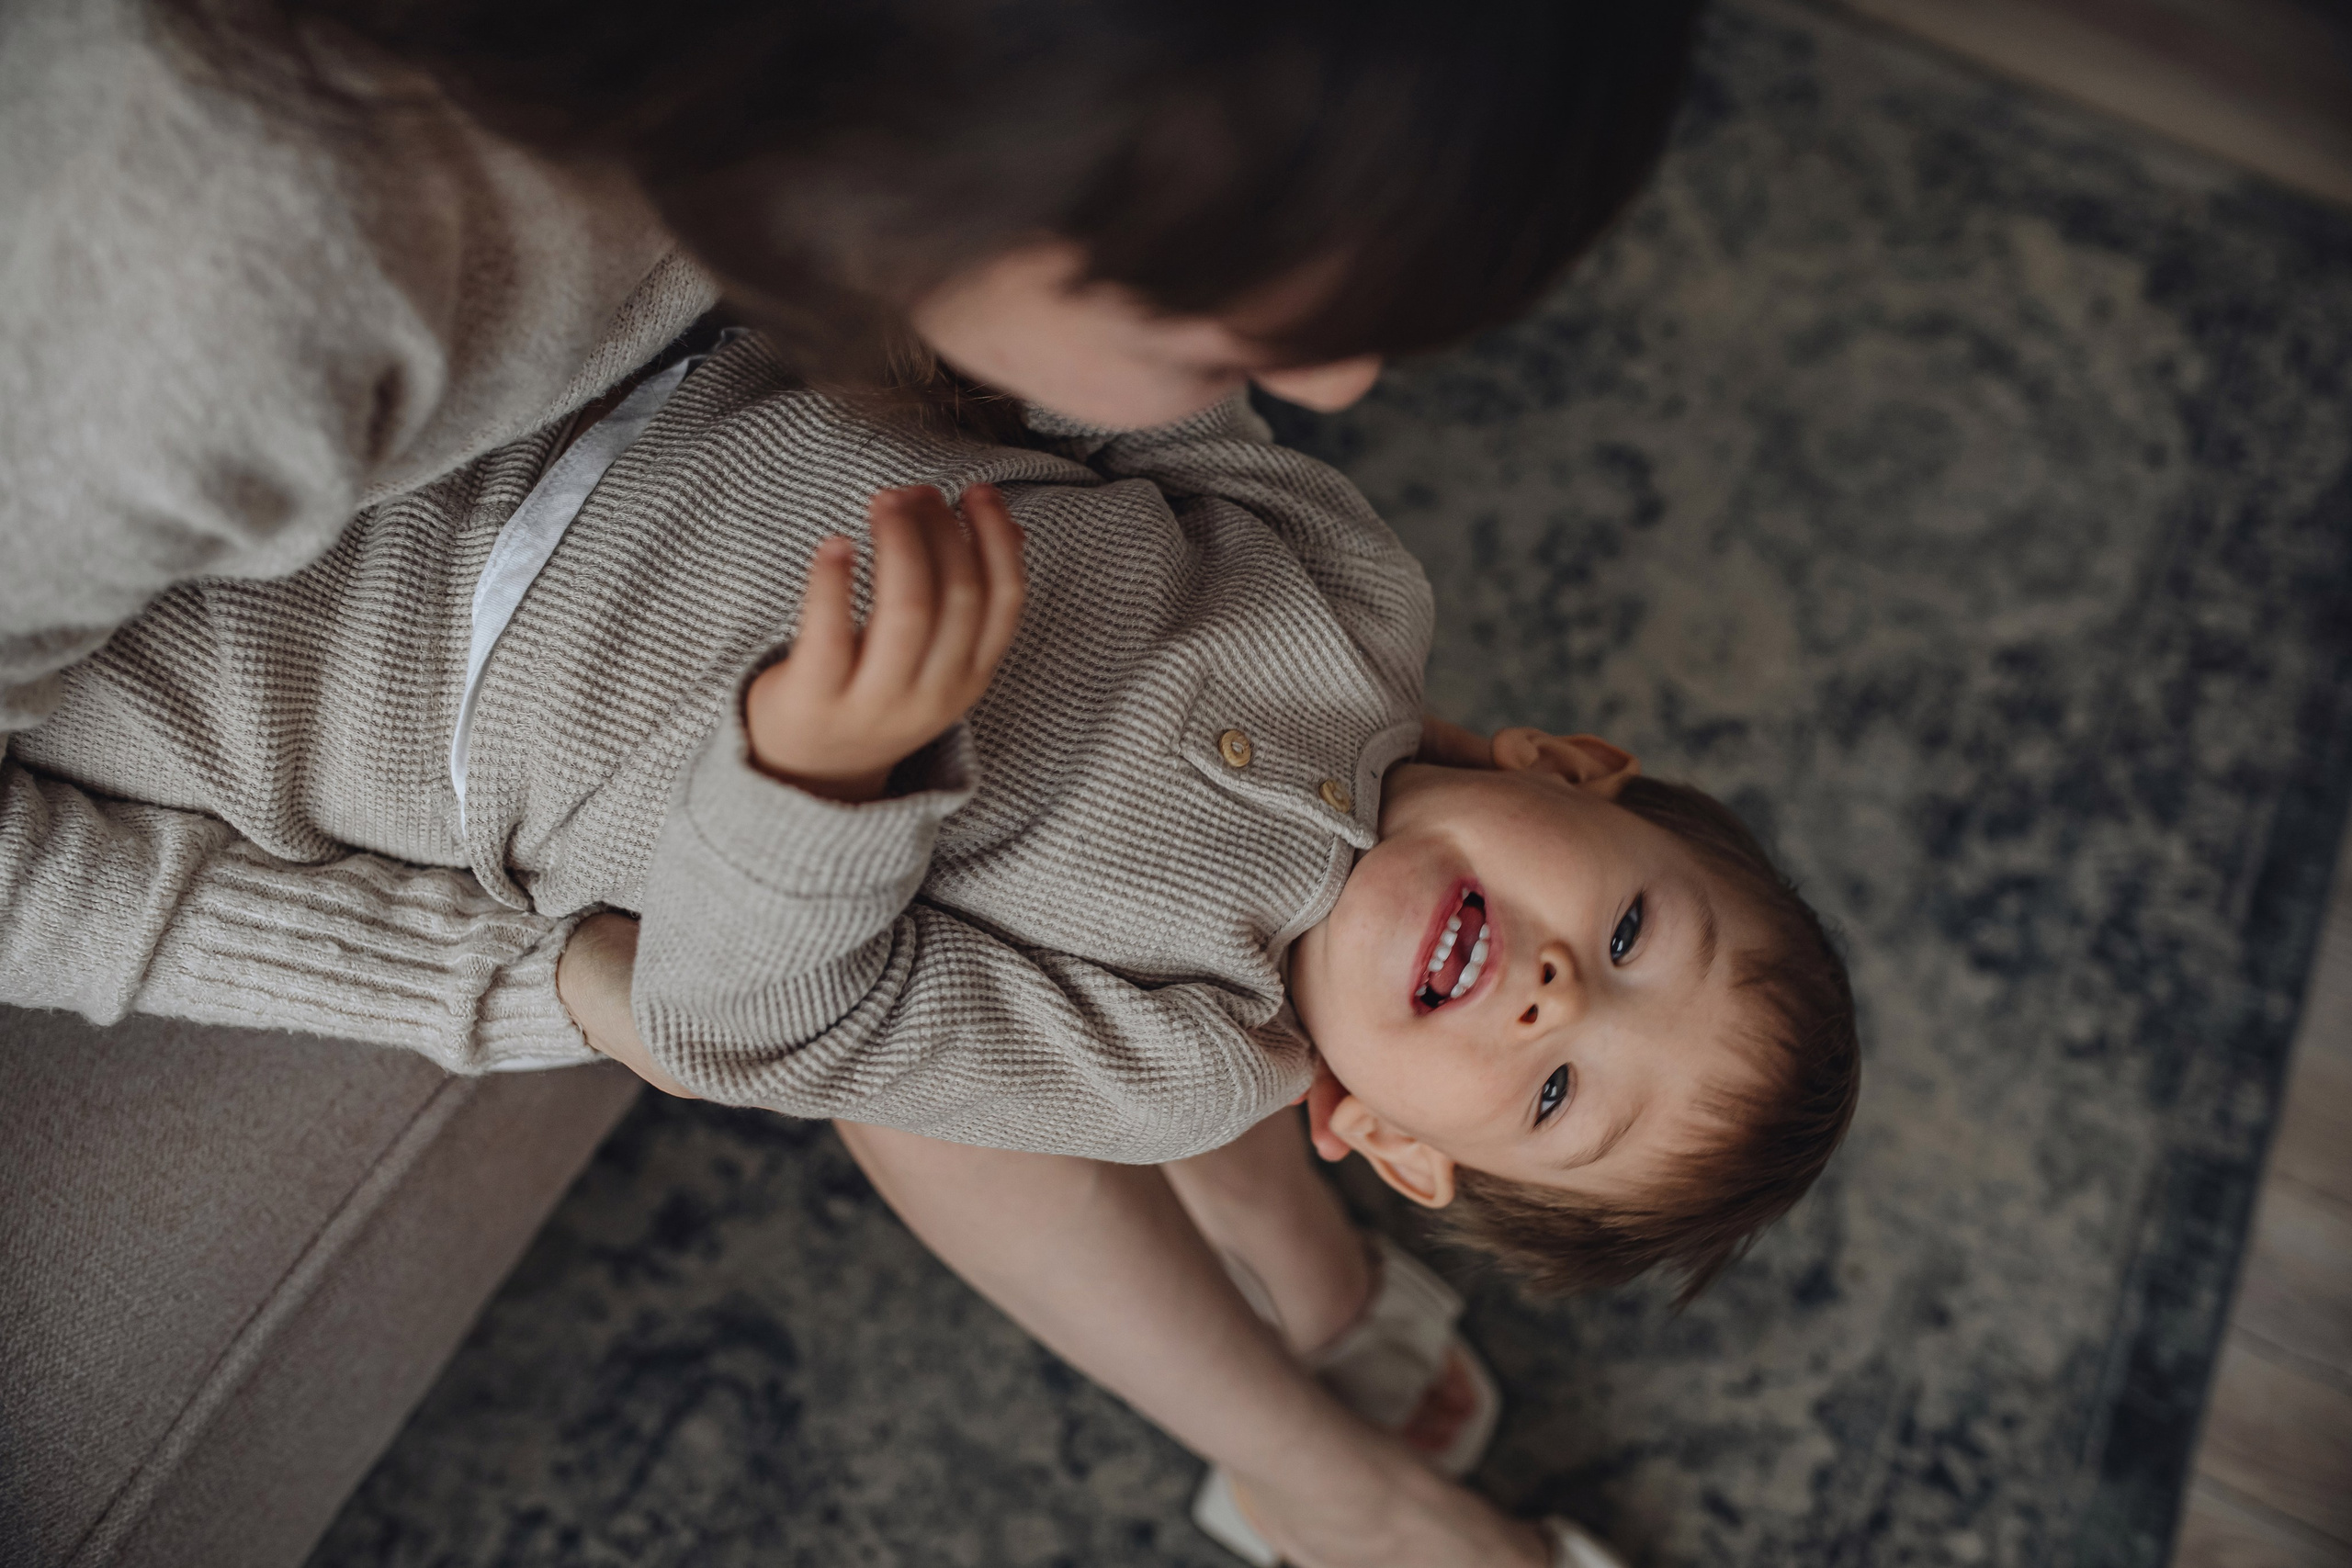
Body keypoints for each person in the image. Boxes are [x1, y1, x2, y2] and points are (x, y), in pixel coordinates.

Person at [1, 1, 1710, 1561]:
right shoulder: (202, 289)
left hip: (478, 614)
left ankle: (1304, 1275)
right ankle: (1322, 1450)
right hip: (427, 590)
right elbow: (1146, 450)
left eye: (1561, 1094)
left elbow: (783, 1017)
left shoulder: (1184, 1058)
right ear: (1568, 762)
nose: (1562, 994)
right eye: (1630, 932)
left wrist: (818, 786)